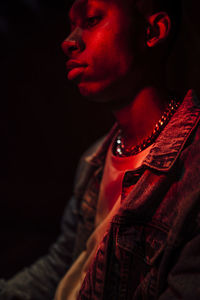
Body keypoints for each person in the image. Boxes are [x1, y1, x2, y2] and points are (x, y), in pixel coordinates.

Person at [1, 0, 200, 299]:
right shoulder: (95, 158)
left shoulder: (193, 171)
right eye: (72, 26)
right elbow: (63, 265)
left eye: (91, 20)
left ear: (153, 31)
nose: (68, 42)